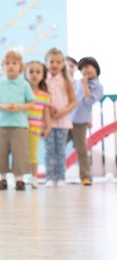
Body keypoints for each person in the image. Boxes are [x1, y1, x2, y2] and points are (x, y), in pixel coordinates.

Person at [0, 50, 35, 191]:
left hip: (20, 125)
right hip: (2, 124)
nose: (10, 66)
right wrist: (3, 106)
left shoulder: (24, 84)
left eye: (14, 63)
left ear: (20, 66)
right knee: (1, 153)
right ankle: (2, 179)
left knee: (20, 153)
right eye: (7, 63)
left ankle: (19, 180)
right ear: (3, 66)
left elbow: (31, 103)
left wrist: (19, 107)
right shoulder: (0, 84)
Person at [68, 57, 103, 186]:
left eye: (88, 66)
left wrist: (84, 85)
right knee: (58, 147)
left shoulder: (98, 87)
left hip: (81, 122)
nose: (85, 70)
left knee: (81, 150)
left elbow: (89, 102)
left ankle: (85, 176)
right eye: (82, 68)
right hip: (67, 119)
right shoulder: (77, 82)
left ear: (95, 68)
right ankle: (55, 175)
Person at [44, 48, 77, 187]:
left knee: (60, 150)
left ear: (62, 64)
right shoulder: (44, 80)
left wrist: (62, 112)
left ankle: (62, 178)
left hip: (63, 121)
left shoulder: (66, 80)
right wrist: (49, 110)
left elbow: (74, 102)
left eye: (58, 62)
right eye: (52, 61)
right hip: (48, 121)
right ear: (46, 62)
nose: (55, 65)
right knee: (49, 150)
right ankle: (50, 178)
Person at [24, 61, 51, 188]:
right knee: (21, 154)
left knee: (33, 154)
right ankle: (21, 177)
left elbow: (46, 113)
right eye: (31, 71)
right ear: (26, 74)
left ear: (43, 75)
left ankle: (34, 177)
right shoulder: (23, 93)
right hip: (22, 129)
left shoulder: (44, 95)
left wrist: (48, 127)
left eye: (38, 72)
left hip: (35, 129)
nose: (34, 75)